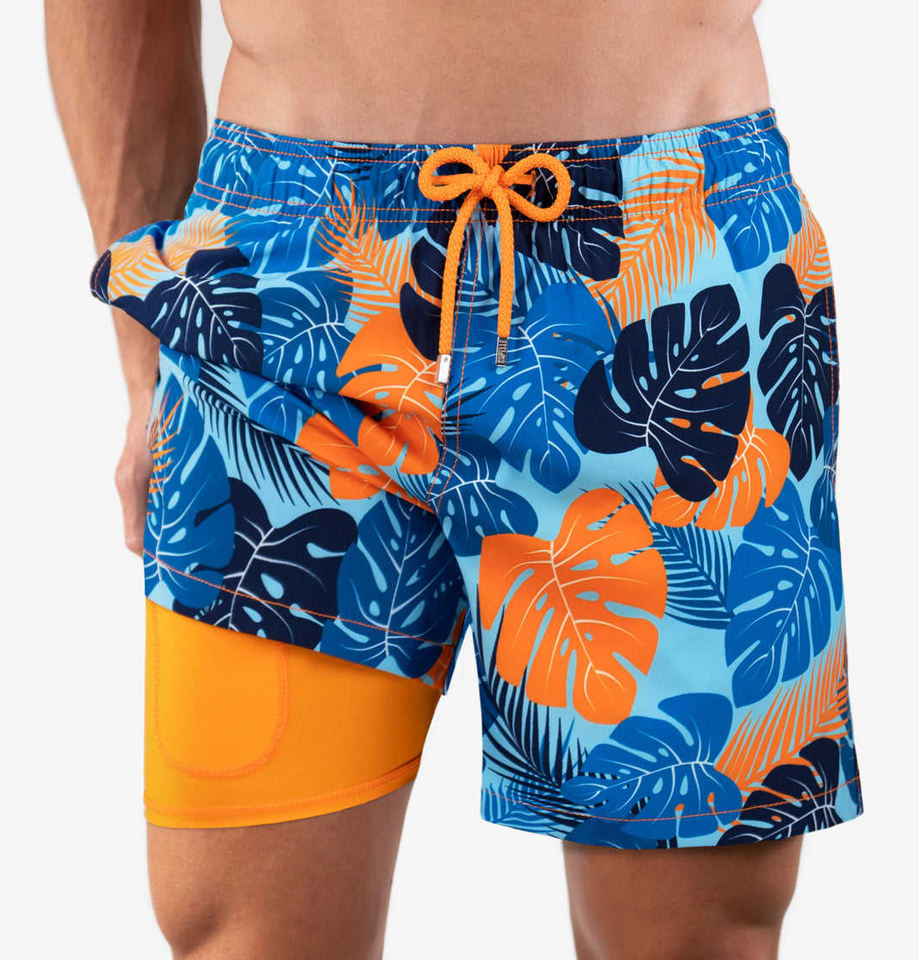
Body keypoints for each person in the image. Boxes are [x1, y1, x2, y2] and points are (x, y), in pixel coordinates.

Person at [47, 1, 863, 957]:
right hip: (285, 288)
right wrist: (146, 360)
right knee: (240, 932)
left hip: (670, 269)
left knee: (692, 941)